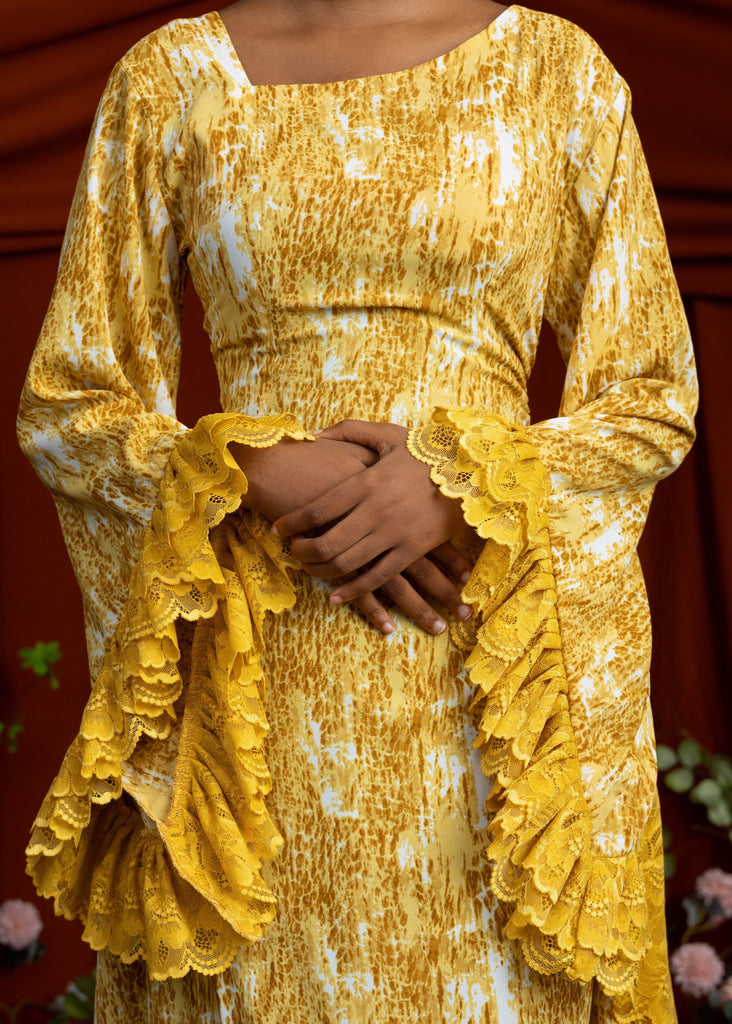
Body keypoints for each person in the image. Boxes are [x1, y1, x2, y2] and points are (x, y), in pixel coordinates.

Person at [17, 0, 698, 1021]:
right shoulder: (170, 79)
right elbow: (68, 407)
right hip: (260, 685)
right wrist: (244, 466)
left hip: (483, 673)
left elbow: (651, 397)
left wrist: (463, 481)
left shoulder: (557, 71)